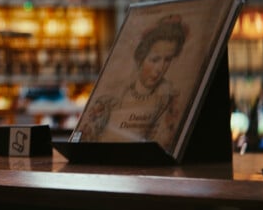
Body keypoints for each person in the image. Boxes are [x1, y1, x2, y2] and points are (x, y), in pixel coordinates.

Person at [78, 14, 188, 150]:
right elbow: (84, 142)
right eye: (154, 60)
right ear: (140, 59)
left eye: (167, 60)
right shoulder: (111, 98)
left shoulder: (170, 100)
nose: (160, 69)